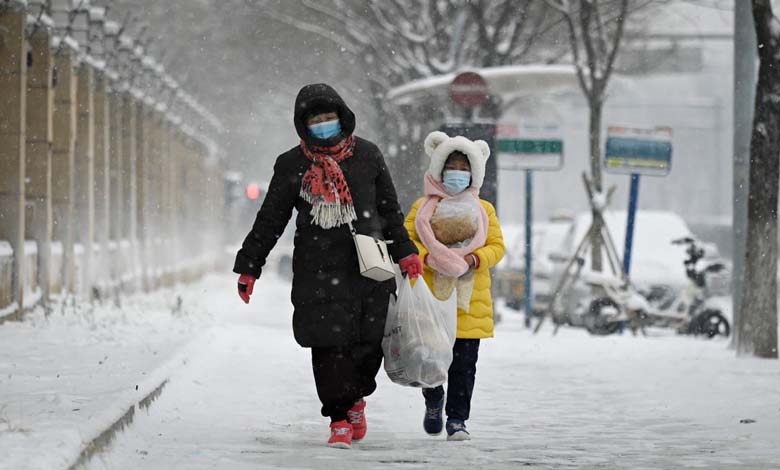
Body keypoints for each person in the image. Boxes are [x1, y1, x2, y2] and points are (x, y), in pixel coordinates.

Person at [233, 83, 423, 449]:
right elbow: (271, 217)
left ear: (342, 116)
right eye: (315, 120)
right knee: (327, 345)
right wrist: (249, 266)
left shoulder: (368, 155)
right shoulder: (291, 164)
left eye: (328, 117)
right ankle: (337, 416)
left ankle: (356, 399)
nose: (323, 125)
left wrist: (406, 252)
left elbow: (389, 211)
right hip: (316, 269)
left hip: (369, 265)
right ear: (303, 125)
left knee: (368, 343)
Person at [404, 131, 505, 441]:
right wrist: (429, 258)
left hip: (469, 301)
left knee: (464, 368)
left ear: (474, 172)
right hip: (432, 300)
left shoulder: (483, 210)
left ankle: (457, 419)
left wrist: (474, 259)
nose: (458, 173)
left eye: (464, 167)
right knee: (430, 360)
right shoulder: (423, 207)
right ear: (439, 169)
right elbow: (407, 241)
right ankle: (434, 400)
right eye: (452, 166)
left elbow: (497, 246)